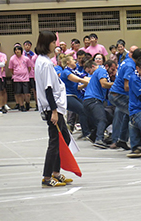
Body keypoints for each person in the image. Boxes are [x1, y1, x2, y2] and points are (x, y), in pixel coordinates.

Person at [34, 30, 73, 187]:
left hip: (54, 107)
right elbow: (48, 89)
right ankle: (47, 177)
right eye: (53, 43)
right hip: (52, 108)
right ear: (47, 44)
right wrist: (54, 111)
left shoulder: (41, 61)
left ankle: (56, 172)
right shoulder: (46, 64)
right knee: (54, 142)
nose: (54, 45)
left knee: (65, 138)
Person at [109, 47, 141, 151]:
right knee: (135, 114)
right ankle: (136, 144)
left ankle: (122, 140)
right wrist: (140, 91)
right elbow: (127, 86)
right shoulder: (130, 66)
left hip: (117, 94)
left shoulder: (126, 61)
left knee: (126, 115)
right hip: (118, 95)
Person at [83, 60, 115, 148]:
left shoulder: (97, 72)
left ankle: (93, 135)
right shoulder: (101, 70)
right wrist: (117, 84)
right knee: (102, 119)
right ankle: (99, 139)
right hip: (94, 100)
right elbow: (104, 84)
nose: (90, 73)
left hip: (90, 100)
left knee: (109, 117)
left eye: (90, 71)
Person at [60, 54, 91, 139]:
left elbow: (80, 82)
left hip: (73, 95)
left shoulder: (74, 71)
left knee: (85, 108)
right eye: (73, 60)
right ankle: (86, 133)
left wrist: (92, 79)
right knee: (82, 110)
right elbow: (78, 79)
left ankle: (87, 130)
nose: (75, 61)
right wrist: (88, 82)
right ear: (68, 62)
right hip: (67, 96)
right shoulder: (66, 72)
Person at [9, 44, 33, 112]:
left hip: (25, 78)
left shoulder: (26, 58)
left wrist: (25, 73)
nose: (17, 51)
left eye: (18, 49)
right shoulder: (12, 59)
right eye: (15, 50)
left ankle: (27, 103)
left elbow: (29, 67)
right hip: (17, 78)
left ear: (21, 51)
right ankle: (21, 105)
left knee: (27, 93)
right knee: (19, 93)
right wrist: (15, 73)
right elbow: (11, 68)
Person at [23, 40, 38, 111]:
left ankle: (37, 104)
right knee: (26, 92)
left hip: (33, 75)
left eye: (29, 45)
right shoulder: (22, 55)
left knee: (35, 90)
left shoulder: (34, 55)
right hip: (24, 76)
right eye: (26, 45)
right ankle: (27, 104)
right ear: (23, 46)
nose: (27, 46)